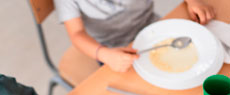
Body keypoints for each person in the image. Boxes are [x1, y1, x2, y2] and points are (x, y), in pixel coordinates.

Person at [54, 0, 215, 72]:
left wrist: (193, 1)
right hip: (112, 50)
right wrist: (104, 55)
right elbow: (76, 34)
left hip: (152, 27)